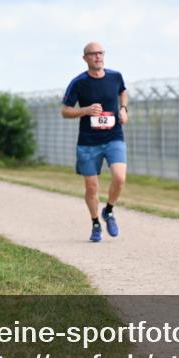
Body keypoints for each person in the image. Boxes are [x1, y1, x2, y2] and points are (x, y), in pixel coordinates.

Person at [60, 42, 129, 242]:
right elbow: (65, 111)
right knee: (91, 187)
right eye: (93, 54)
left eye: (100, 53)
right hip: (88, 142)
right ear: (85, 58)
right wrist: (86, 110)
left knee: (120, 178)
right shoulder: (78, 83)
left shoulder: (115, 76)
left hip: (113, 136)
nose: (98, 56)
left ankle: (108, 210)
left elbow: (122, 91)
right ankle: (95, 223)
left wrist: (123, 109)